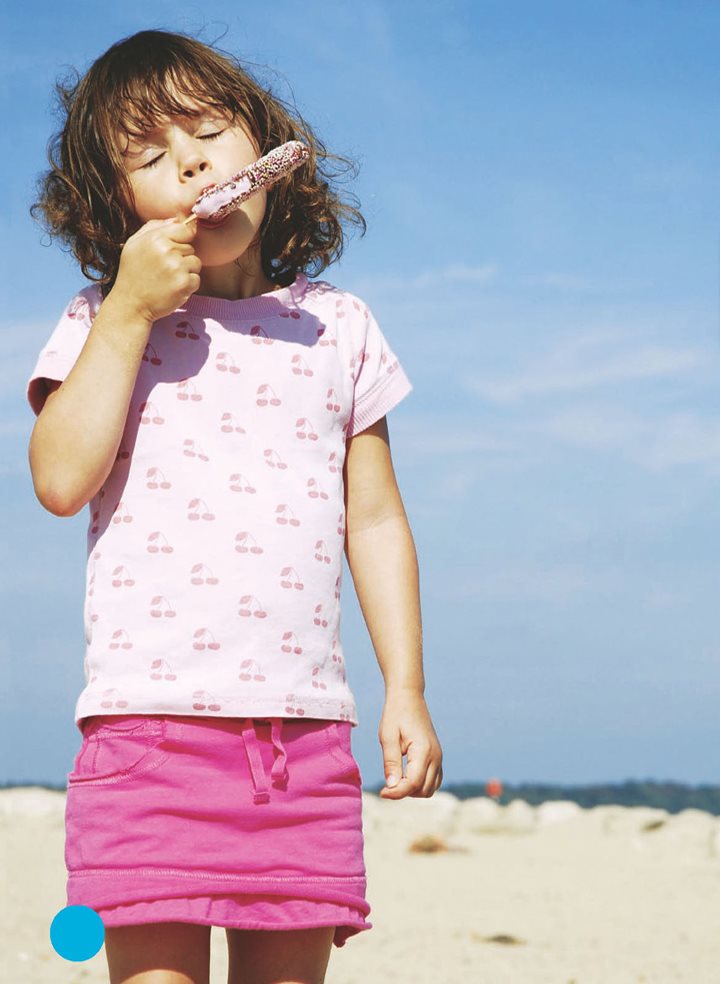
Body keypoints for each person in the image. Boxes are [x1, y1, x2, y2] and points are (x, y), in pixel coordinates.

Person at [26, 28, 443, 984]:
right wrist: (131, 310)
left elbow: (373, 520)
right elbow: (59, 480)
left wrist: (407, 688)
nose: (192, 161)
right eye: (148, 156)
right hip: (148, 734)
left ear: (263, 147)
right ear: (115, 204)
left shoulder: (337, 327)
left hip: (303, 742)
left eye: (210, 129)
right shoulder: (103, 324)